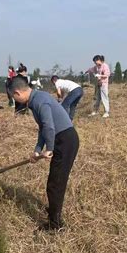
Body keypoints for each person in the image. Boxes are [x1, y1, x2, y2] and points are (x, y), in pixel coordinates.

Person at [10, 76, 79, 231]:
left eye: (13, 97)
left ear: (17, 92)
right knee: (56, 181)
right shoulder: (37, 98)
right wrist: (37, 150)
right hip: (64, 138)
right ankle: (54, 210)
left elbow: (49, 126)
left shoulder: (38, 101)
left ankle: (55, 225)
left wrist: (50, 148)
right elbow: (43, 128)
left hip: (65, 140)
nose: (15, 101)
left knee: (55, 183)